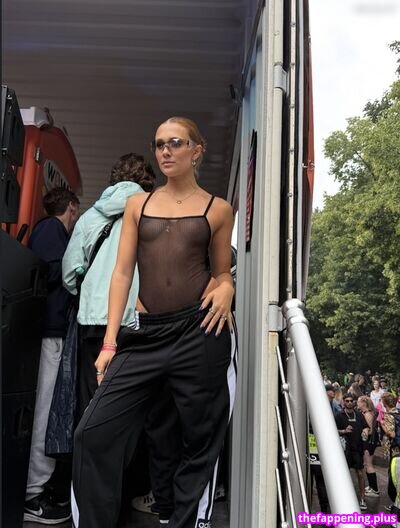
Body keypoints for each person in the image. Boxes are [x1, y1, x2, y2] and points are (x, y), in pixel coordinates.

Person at [71, 116, 238, 528]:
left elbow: (221, 272)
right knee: (92, 431)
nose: (165, 150)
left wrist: (227, 287)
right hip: (145, 335)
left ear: (196, 150)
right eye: (159, 144)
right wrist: (110, 342)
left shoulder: (218, 209)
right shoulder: (138, 205)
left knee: (198, 440)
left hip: (200, 331)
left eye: (175, 142)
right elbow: (122, 273)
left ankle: (182, 521)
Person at [24, 187, 80, 524]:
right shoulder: (51, 230)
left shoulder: (49, 231)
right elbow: (52, 273)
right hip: (50, 334)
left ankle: (36, 488)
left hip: (49, 333)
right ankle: (33, 495)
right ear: (71, 206)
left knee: (47, 412)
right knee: (45, 413)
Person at [335, 393, 369, 510]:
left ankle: (362, 499)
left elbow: (366, 427)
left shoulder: (359, 415)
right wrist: (344, 431)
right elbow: (332, 430)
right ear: (343, 402)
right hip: (344, 450)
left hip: (357, 448)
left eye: (351, 400)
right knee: (343, 474)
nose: (349, 403)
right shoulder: (338, 416)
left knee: (360, 474)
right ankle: (342, 500)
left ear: (354, 402)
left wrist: (366, 430)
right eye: (347, 401)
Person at [357, 395, 380, 496]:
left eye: (358, 402)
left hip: (369, 441)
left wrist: (361, 432)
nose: (357, 403)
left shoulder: (367, 414)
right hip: (369, 441)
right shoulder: (366, 413)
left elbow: (370, 430)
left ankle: (375, 489)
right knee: (367, 464)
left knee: (369, 464)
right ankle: (371, 486)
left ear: (364, 403)